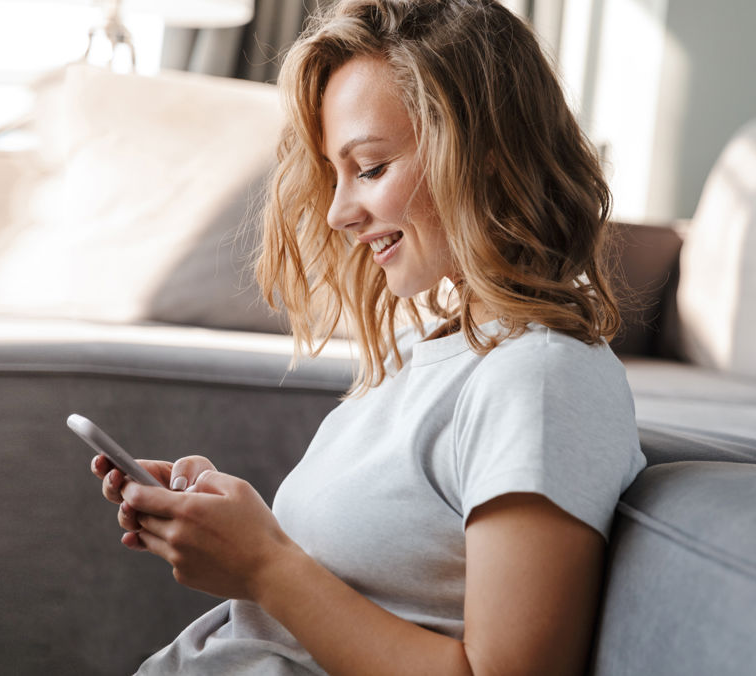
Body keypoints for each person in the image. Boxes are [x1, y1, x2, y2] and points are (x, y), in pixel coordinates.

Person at [90, 0, 645, 673]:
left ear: (487, 157)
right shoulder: (427, 352)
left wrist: (264, 565)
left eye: (371, 168)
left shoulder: (543, 379)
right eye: (335, 172)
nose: (338, 211)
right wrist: (237, 533)